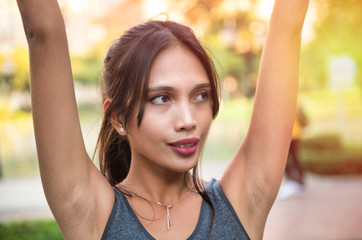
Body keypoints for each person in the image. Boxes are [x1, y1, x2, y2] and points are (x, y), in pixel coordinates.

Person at [16, 0, 309, 239]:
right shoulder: (90, 212)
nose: (188, 120)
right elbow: (43, 32)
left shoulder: (243, 201)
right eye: (161, 98)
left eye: (201, 96)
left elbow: (288, 25)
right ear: (118, 117)